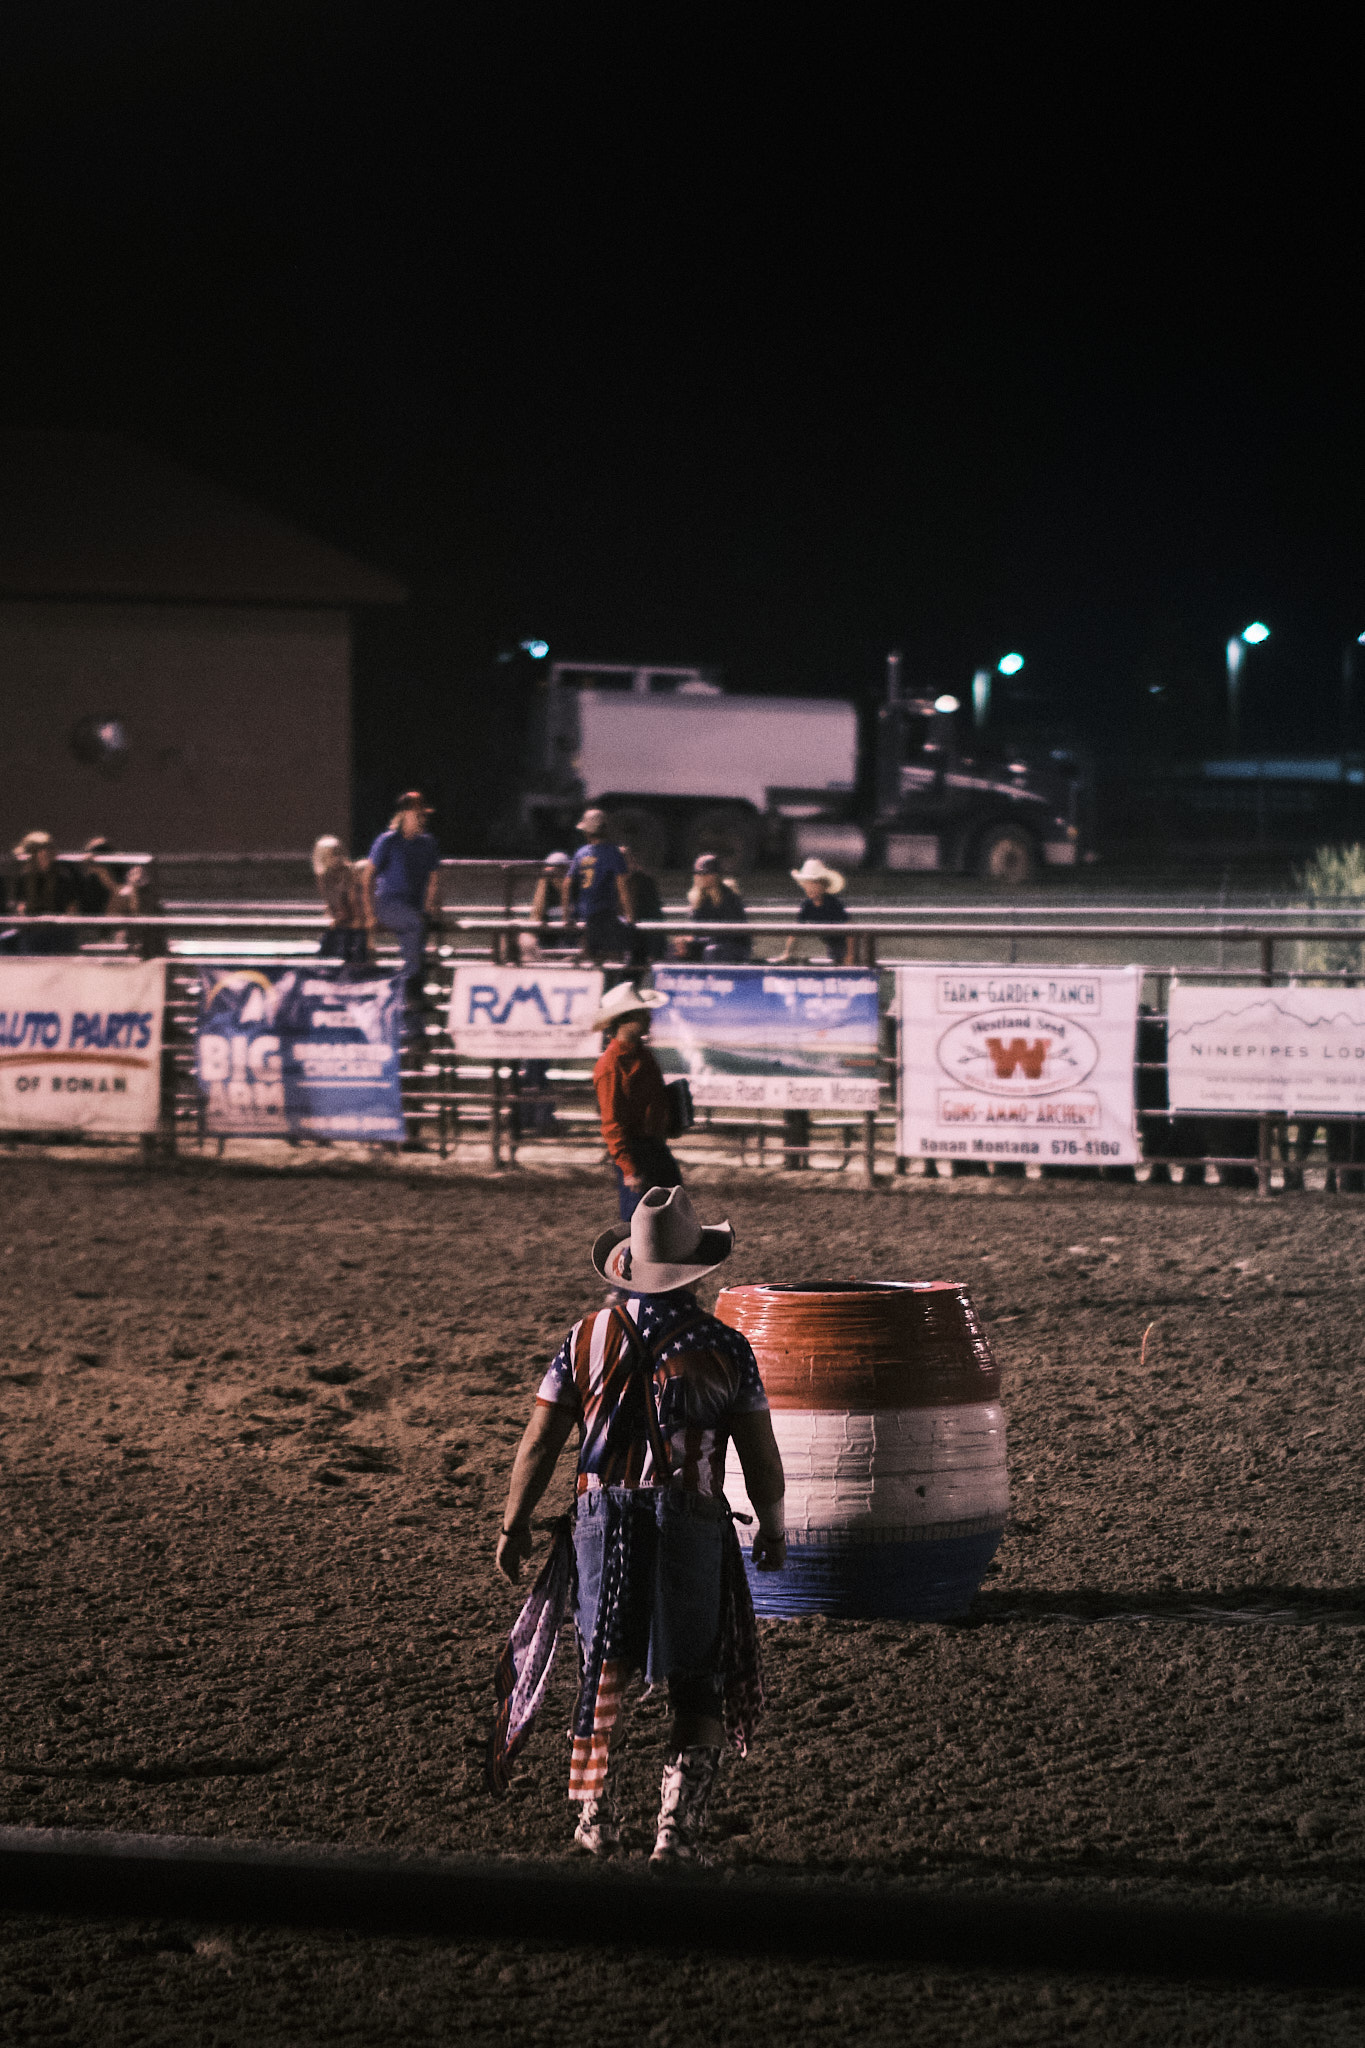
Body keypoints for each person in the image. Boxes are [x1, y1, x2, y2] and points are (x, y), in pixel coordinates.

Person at [492, 1185, 787, 1865]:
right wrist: (769, 1528)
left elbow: (540, 1441)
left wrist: (514, 1523)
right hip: (689, 1520)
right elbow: (759, 1455)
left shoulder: (583, 1340)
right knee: (697, 1679)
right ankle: (674, 1834)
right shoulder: (726, 1348)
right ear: (696, 1269)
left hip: (601, 1519)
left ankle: (595, 1820)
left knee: (604, 1670)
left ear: (629, 1264)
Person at [593, 980, 681, 1219]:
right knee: (639, 1223)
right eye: (643, 1014)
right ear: (626, 1019)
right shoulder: (611, 1066)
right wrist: (628, 1169)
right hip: (636, 1150)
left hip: (653, 1145)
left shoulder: (642, 1056)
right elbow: (611, 1123)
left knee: (671, 1210)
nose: (649, 1019)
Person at [361, 792, 440, 998]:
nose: (422, 819)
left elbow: (433, 878)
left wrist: (429, 906)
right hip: (388, 904)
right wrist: (370, 914)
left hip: (413, 908)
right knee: (416, 929)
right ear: (404, 814)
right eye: (418, 814)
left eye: (424, 815)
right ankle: (402, 985)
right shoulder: (388, 841)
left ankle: (408, 1004)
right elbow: (367, 877)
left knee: (417, 951)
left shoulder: (428, 843)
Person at [563, 808, 632, 962]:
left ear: (587, 832)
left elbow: (567, 883)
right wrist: (630, 915)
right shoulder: (613, 852)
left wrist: (566, 915)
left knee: (592, 959)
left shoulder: (581, 853)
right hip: (605, 914)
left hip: (584, 914)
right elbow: (623, 887)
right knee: (615, 958)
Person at [11, 831, 78, 953]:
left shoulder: (62, 877)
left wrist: (55, 923)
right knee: (8, 941)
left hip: (57, 929)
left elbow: (71, 909)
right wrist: (26, 920)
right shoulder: (25, 877)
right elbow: (21, 906)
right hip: (32, 928)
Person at [677, 853, 750, 963]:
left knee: (713, 951)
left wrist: (695, 940)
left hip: (733, 946)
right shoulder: (697, 898)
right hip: (706, 943)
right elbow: (696, 930)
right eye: (698, 873)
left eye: (705, 873)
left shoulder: (729, 897)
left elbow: (730, 934)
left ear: (716, 876)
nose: (700, 877)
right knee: (675, 949)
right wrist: (685, 941)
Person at [780, 856, 850, 966]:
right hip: (831, 944)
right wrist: (787, 952)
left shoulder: (833, 904)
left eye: (813, 884)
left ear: (823, 886)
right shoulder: (807, 906)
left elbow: (849, 930)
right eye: (807, 885)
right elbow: (796, 931)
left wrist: (849, 957)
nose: (809, 888)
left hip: (844, 944)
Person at [312, 835, 368, 964]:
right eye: (331, 854)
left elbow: (353, 899)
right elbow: (333, 902)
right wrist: (336, 913)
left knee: (355, 937)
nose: (336, 857)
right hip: (342, 919)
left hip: (356, 917)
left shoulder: (351, 871)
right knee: (331, 943)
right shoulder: (324, 877)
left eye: (338, 853)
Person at [520, 850, 573, 959]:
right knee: (523, 938)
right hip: (547, 940)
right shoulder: (545, 891)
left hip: (568, 941)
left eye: (559, 871)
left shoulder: (574, 890)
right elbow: (536, 917)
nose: (554, 876)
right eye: (550, 872)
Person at [622, 843, 665, 967]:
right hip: (614, 944)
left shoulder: (645, 883)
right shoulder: (607, 883)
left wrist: (655, 951)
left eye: (627, 860)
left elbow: (655, 916)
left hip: (638, 943)